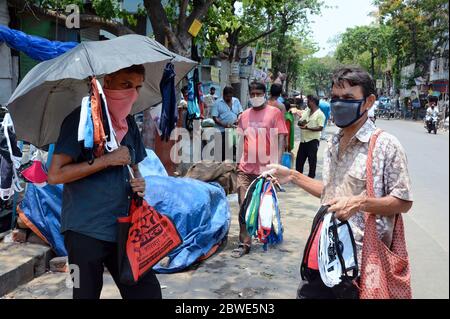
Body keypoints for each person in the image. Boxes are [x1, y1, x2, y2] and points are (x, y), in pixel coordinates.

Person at [265, 67, 413, 299]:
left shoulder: (386, 145)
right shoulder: (334, 142)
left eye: (348, 99)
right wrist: (292, 176)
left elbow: (402, 202)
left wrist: (361, 203)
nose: (339, 104)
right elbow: (330, 194)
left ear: (368, 101)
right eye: (335, 98)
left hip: (360, 263)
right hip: (323, 250)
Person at [48, 65, 162, 299]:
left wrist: (139, 182)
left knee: (147, 292)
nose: (132, 93)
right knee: (84, 293)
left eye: (137, 87)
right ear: (106, 82)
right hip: (84, 231)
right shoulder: (80, 121)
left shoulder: (128, 124)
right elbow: (55, 175)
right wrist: (106, 160)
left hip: (125, 227)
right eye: (126, 85)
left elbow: (134, 167)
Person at [232, 81, 288, 258]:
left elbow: (280, 139)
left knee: (265, 206)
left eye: (258, 94)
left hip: (266, 170)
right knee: (243, 206)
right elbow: (241, 140)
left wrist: (276, 165)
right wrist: (237, 161)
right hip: (245, 168)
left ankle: (266, 233)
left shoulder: (275, 113)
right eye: (252, 94)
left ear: (264, 94)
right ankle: (244, 243)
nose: (255, 97)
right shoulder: (244, 116)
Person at [295, 95, 325, 179]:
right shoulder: (307, 111)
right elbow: (302, 120)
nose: (307, 103)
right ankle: (298, 176)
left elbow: (320, 127)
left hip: (313, 140)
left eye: (308, 101)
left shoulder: (320, 114)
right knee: (299, 159)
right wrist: (301, 123)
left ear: (313, 102)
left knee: (312, 160)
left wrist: (308, 128)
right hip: (303, 140)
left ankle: (311, 177)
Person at [210, 86, 243, 161]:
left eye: (231, 96)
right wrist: (225, 125)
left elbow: (240, 112)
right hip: (221, 131)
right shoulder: (217, 103)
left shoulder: (236, 101)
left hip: (233, 129)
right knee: (223, 151)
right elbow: (215, 118)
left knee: (234, 149)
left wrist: (239, 118)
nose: (229, 98)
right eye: (227, 96)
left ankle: (232, 165)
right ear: (223, 95)